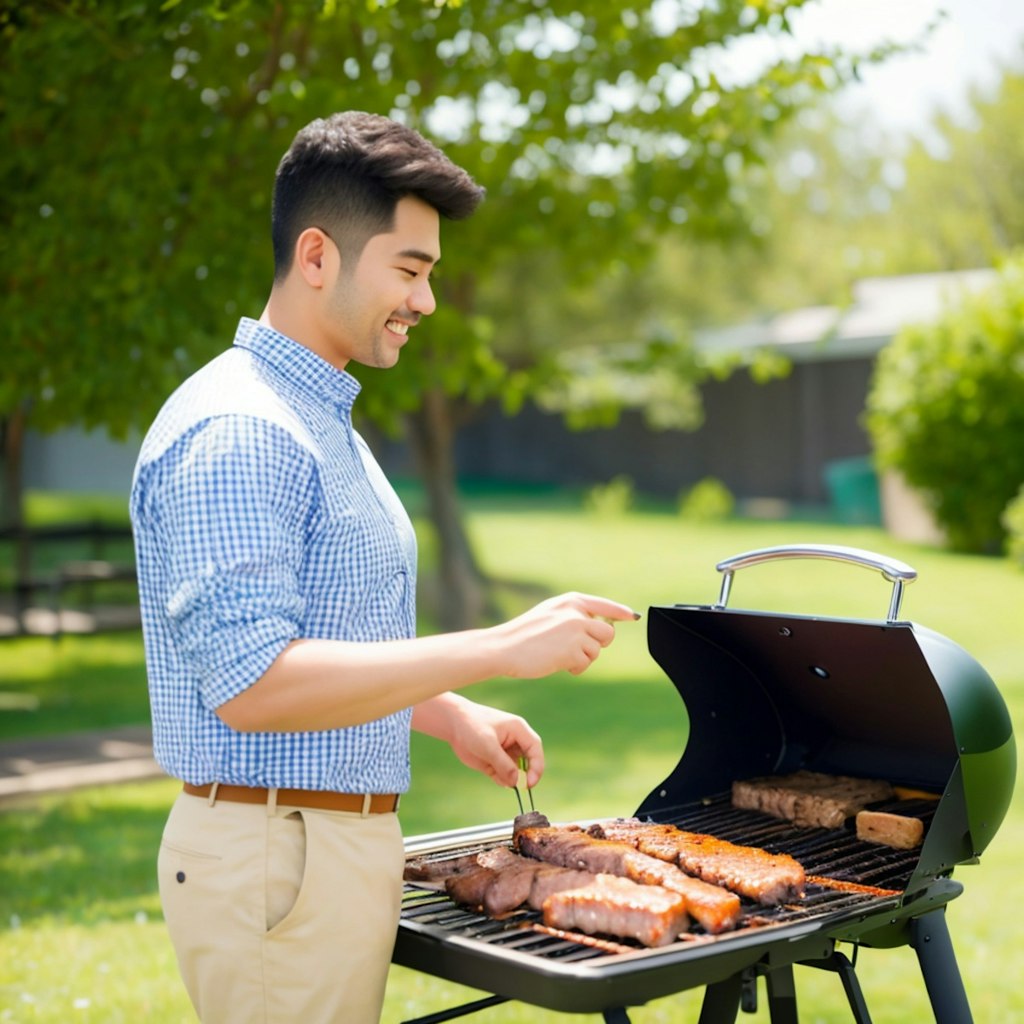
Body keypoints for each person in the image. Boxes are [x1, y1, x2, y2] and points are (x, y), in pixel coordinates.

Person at [129, 110, 638, 1024]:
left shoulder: (316, 415)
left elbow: (321, 641)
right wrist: (495, 647)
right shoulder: (244, 428)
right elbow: (254, 683)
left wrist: (446, 716)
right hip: (279, 852)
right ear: (318, 255)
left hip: (315, 844)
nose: (427, 301)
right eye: (410, 270)